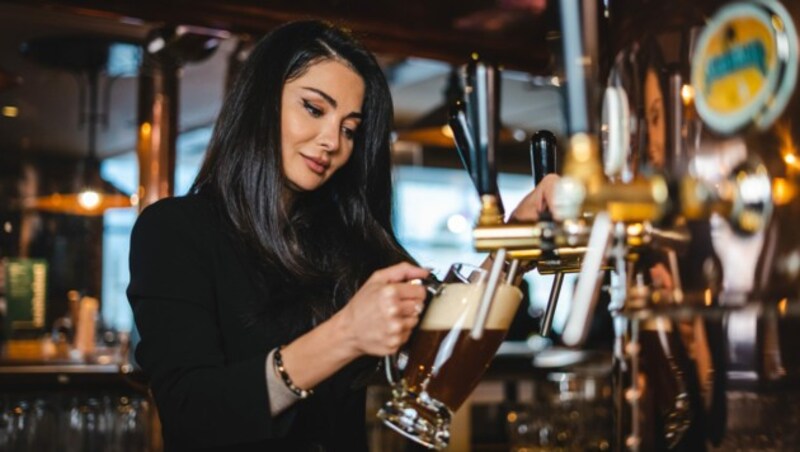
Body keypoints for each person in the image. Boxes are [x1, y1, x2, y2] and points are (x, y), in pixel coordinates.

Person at [128, 20, 558, 451]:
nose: (332, 140)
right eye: (314, 109)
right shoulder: (174, 231)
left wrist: (513, 244)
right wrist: (345, 335)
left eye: (350, 128)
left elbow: (440, 354)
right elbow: (191, 413)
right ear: (260, 102)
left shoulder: (346, 243)